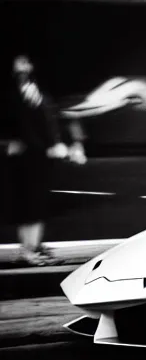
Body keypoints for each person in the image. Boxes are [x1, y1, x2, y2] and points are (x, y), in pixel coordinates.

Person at [5, 54, 86, 265]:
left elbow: (49, 122)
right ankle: (28, 250)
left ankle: (32, 247)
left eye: (26, 62)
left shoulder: (41, 93)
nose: (23, 67)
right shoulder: (11, 95)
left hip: (40, 156)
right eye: (19, 63)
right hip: (26, 156)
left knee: (36, 203)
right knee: (29, 204)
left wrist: (60, 144)